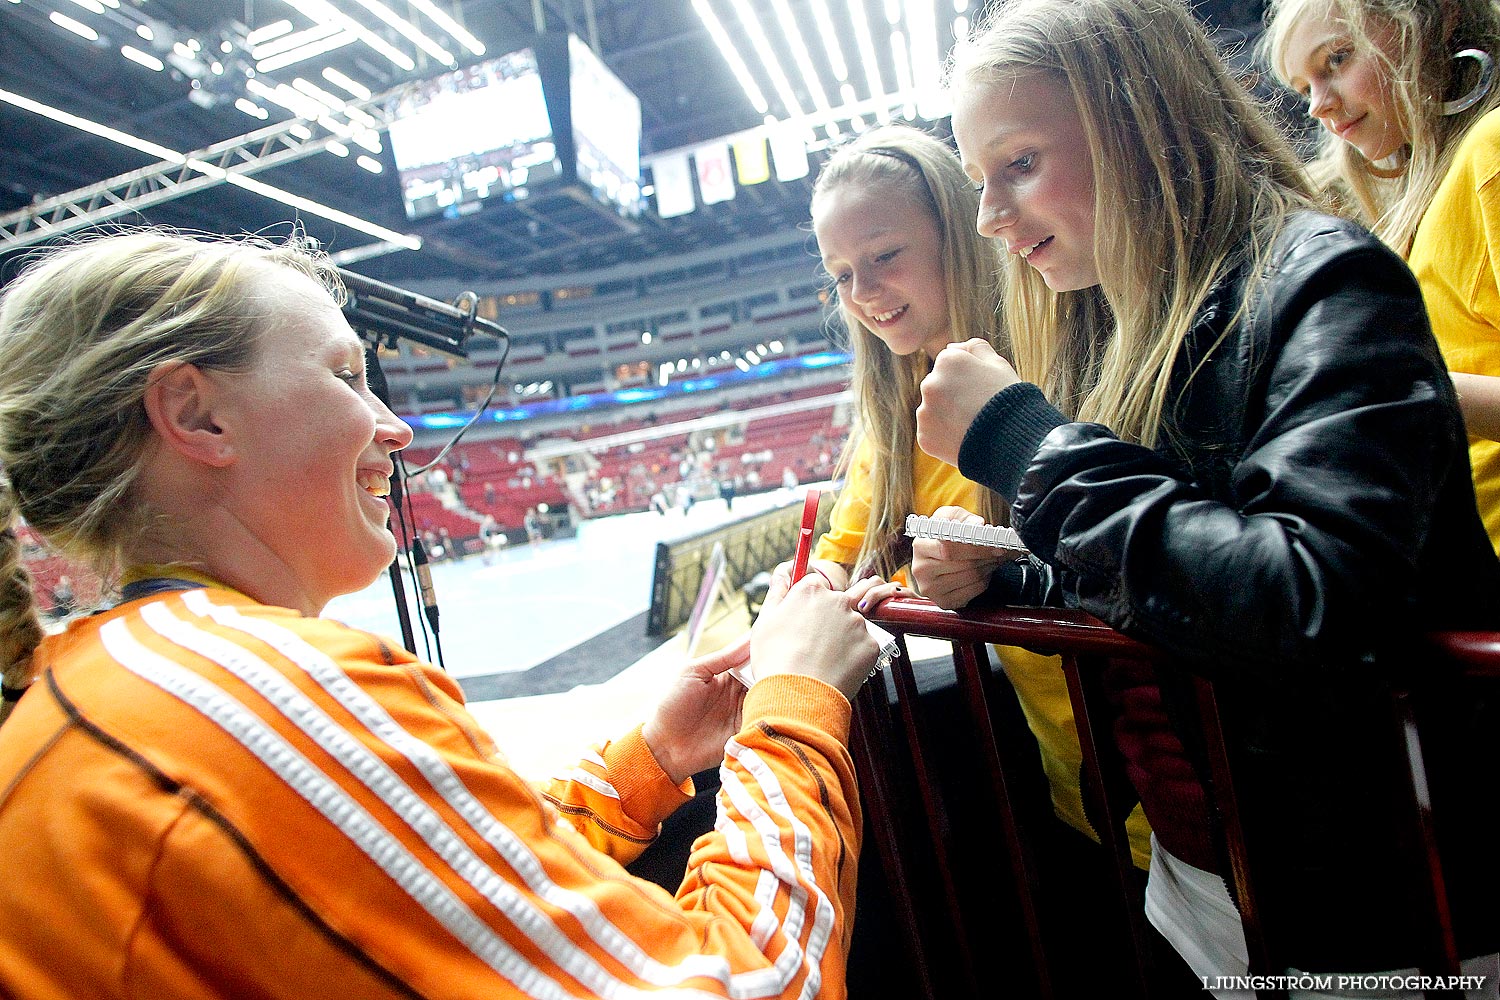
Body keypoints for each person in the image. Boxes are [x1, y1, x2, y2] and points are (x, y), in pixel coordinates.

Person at [0, 230, 885, 998]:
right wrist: (795, 705)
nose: (396, 428)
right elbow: (752, 986)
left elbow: (423, 886)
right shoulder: (262, 690)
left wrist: (648, 764)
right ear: (196, 414)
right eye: (347, 377)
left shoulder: (115, 685)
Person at [913, 0, 1500, 991]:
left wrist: (1028, 446)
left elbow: (1314, 600)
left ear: (1142, 121)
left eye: (1019, 164)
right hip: (1218, 874)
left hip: (1394, 898)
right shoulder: (1121, 327)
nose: (990, 219)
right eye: (979, 180)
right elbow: (1178, 576)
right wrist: (1008, 575)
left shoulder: (1323, 279)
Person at [801, 123, 1159, 989]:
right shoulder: (896, 399)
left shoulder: (1061, 352)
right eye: (843, 275)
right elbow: (843, 545)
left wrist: (1001, 572)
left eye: (886, 255)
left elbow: (1143, 539)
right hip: (1073, 773)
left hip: (1163, 752)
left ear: (960, 238)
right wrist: (815, 586)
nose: (865, 292)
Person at [1265, 0, 1500, 556]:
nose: (1320, 106)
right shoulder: (1430, 191)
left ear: (1436, 19)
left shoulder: (1491, 148)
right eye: (1303, 90)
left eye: (1337, 60)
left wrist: (1388, 385)